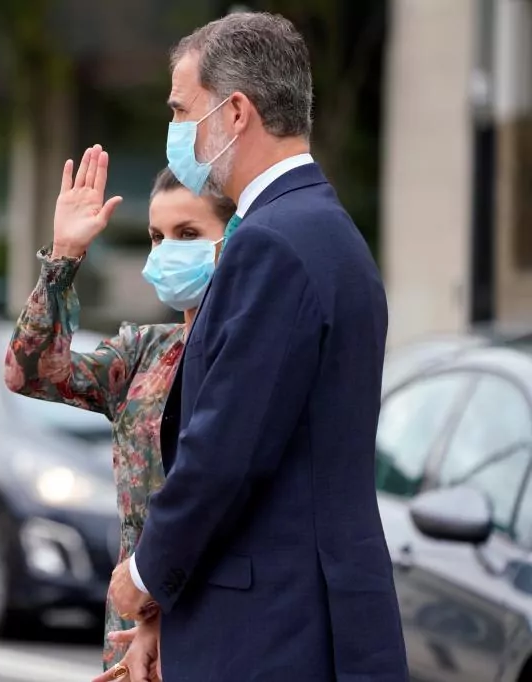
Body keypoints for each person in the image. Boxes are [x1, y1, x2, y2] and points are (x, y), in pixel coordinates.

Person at [106, 11, 408, 681]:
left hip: (268, 633)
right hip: (311, 620)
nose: (176, 132)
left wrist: (145, 574)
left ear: (236, 112)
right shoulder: (330, 233)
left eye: (182, 111)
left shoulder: (270, 243)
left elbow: (226, 450)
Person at [5, 146, 235, 681]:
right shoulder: (145, 352)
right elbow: (29, 373)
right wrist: (63, 258)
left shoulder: (249, 359)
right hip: (133, 614)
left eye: (188, 234)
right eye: (157, 237)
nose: (167, 250)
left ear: (234, 238)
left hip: (215, 608)